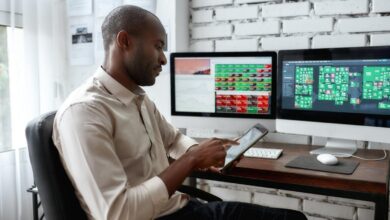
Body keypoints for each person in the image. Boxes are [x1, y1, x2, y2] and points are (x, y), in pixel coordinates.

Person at [53, 5, 307, 220]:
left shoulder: (137, 99)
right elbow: (118, 213)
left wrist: (205, 155)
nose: (164, 59)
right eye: (158, 46)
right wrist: (192, 160)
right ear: (124, 41)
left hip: (176, 207)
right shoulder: (85, 112)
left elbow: (173, 140)